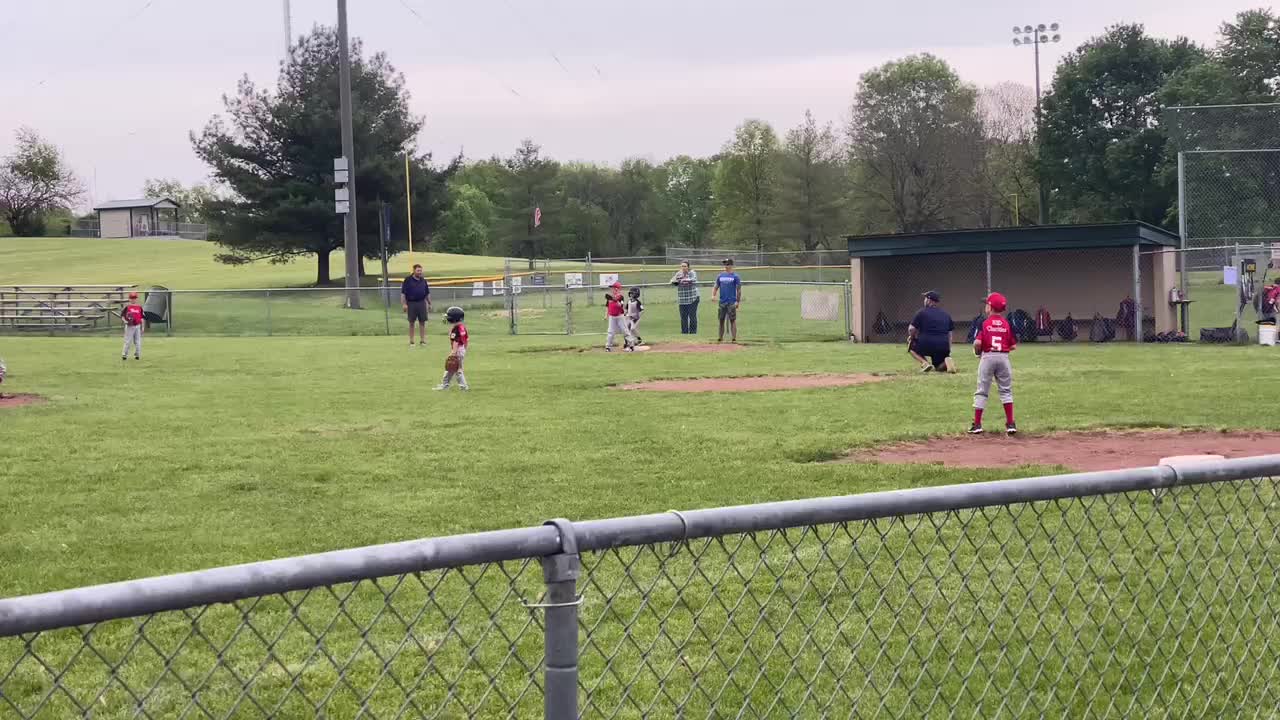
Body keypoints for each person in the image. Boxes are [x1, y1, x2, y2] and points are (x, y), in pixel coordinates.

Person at [969, 292, 1017, 436]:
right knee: (1006, 390)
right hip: (1003, 357)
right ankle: (1010, 423)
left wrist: (977, 352)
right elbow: (1013, 346)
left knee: (982, 390)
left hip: (988, 357)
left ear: (990, 307)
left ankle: (977, 424)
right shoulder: (1006, 323)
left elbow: (978, 342)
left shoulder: (984, 323)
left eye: (986, 304)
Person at [908, 290, 956, 373]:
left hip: (927, 344)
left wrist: (912, 337)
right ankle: (946, 362)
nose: (924, 300)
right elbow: (950, 334)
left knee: (911, 346)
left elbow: (911, 329)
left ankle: (925, 363)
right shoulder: (946, 314)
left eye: (925, 298)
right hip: (943, 346)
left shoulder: (921, 312)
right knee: (938, 367)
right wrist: (948, 349)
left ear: (929, 300)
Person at [435, 306, 470, 390]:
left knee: (456, 369)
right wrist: (464, 350)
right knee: (450, 369)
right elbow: (466, 340)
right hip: (461, 349)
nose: (447, 318)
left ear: (454, 319)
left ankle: (463, 386)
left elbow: (456, 341)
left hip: (457, 350)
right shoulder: (462, 327)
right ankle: (445, 384)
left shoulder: (456, 329)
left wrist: (453, 353)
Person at [400, 264, 432, 348]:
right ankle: (411, 341)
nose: (420, 272)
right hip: (411, 303)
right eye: (418, 270)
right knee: (411, 323)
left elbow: (427, 293)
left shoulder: (423, 280)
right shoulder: (408, 280)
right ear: (414, 271)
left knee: (422, 322)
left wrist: (429, 303)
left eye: (421, 270)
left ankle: (422, 341)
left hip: (421, 303)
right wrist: (404, 304)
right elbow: (403, 293)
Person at [711, 258, 742, 343]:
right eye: (725, 264)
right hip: (722, 302)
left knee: (732, 320)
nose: (726, 266)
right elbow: (716, 286)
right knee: (721, 320)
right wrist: (713, 295)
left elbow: (738, 290)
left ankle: (734, 338)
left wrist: (737, 301)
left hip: (731, 302)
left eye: (728, 264)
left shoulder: (735, 276)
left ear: (731, 265)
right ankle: (720, 338)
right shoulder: (720, 276)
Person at [670, 261, 700, 334]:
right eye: (682, 266)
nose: (683, 268)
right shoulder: (679, 273)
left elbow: (693, 280)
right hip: (682, 299)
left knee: (692, 316)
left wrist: (682, 280)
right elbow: (672, 281)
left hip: (693, 298)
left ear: (688, 267)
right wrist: (677, 281)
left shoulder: (692, 272)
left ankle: (693, 332)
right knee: (683, 317)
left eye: (685, 266)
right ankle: (684, 332)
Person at [120, 292, 145, 361]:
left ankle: (137, 355)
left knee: (138, 342)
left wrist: (142, 327)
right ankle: (124, 355)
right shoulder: (127, 307)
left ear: (136, 299)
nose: (133, 299)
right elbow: (122, 316)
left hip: (137, 326)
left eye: (134, 298)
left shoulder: (139, 307)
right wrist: (125, 321)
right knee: (128, 341)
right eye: (132, 298)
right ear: (129, 299)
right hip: (129, 326)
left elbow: (142, 317)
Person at [604, 282, 628, 352]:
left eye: (613, 288)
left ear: (617, 289)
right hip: (612, 316)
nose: (611, 289)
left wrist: (615, 300)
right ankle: (608, 347)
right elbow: (608, 307)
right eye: (611, 288)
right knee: (610, 332)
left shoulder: (620, 296)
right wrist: (606, 315)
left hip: (620, 316)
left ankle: (629, 345)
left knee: (625, 330)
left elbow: (621, 306)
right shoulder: (609, 297)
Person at [624, 287, 644, 351]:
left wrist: (637, 317)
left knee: (632, 329)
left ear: (636, 294)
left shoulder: (638, 302)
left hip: (635, 318)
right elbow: (627, 309)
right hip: (629, 318)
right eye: (630, 293)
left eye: (632, 293)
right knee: (626, 329)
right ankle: (626, 342)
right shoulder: (629, 301)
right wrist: (625, 314)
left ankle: (639, 340)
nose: (631, 295)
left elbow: (642, 311)